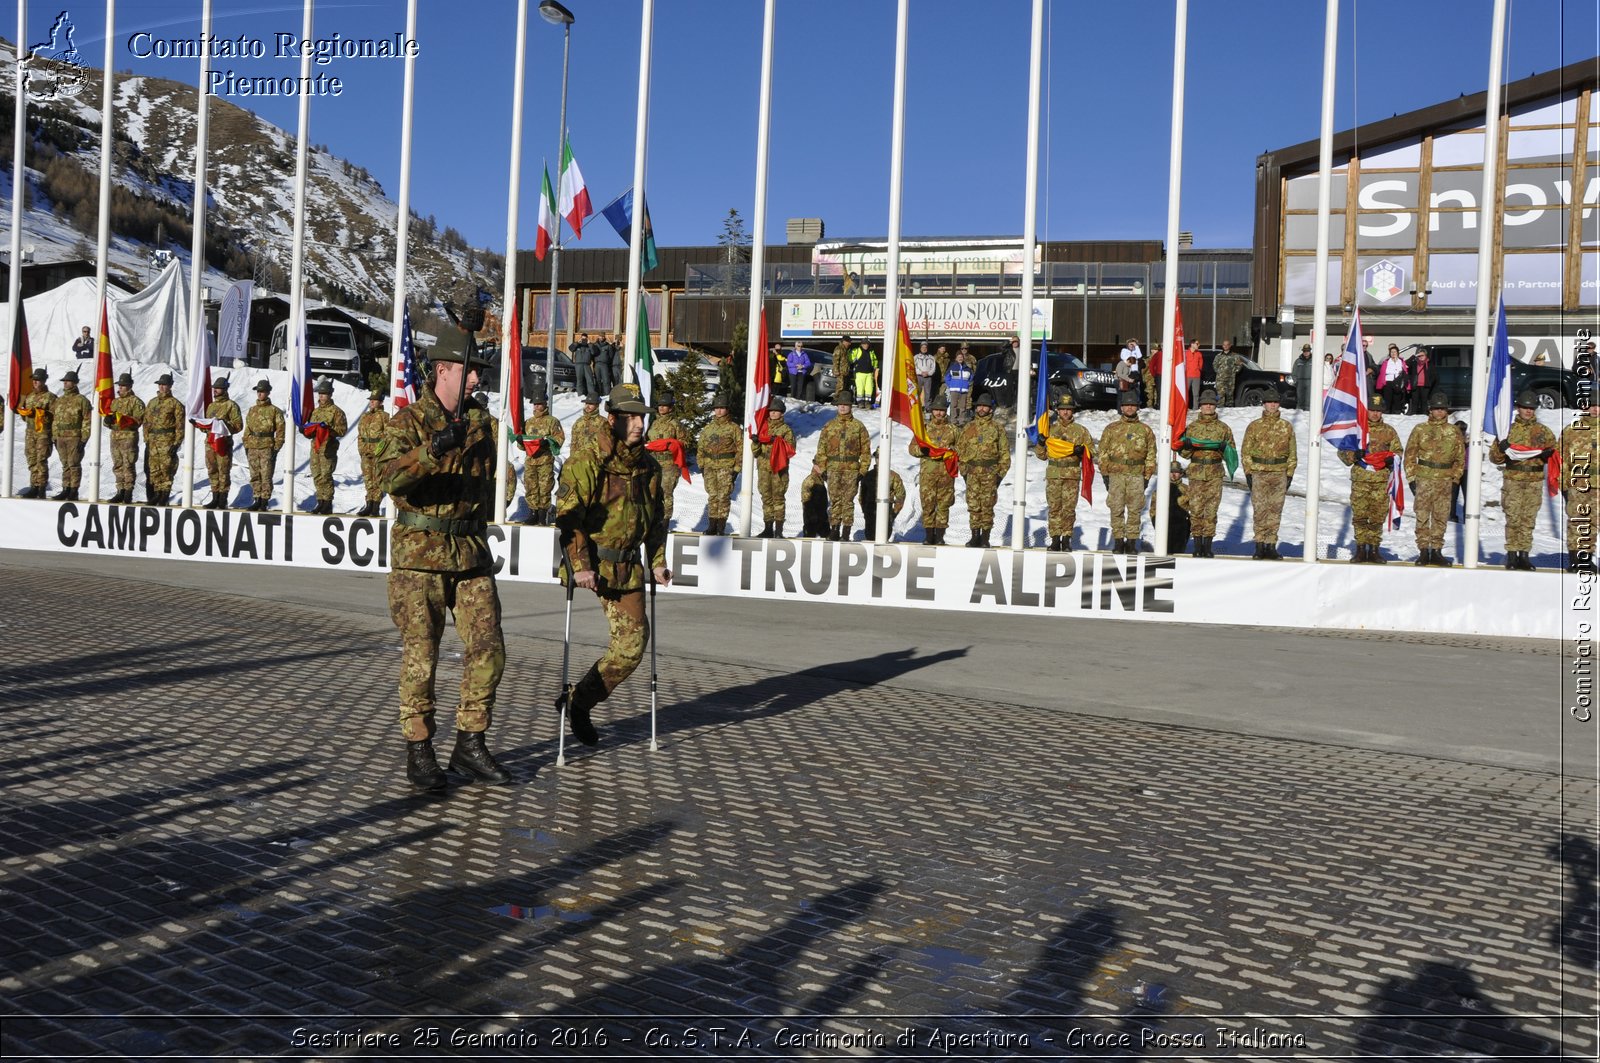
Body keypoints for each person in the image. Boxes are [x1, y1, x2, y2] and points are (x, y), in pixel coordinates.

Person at [376, 335, 508, 791]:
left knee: (489, 648)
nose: (476, 377)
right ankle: (419, 748)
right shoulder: (409, 421)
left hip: (470, 551)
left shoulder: (480, 423)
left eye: (478, 370)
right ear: (442, 371)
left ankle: (470, 742)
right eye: (468, 368)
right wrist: (432, 449)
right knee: (422, 654)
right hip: (420, 557)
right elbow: (386, 478)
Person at [553, 382, 671, 749]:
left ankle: (578, 702)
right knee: (629, 644)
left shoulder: (649, 468)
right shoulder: (588, 460)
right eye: (631, 417)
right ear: (613, 418)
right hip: (594, 564)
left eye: (642, 417)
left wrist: (657, 562)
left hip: (628, 567)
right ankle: (577, 705)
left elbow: (656, 522)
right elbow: (569, 517)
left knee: (632, 647)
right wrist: (580, 566)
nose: (639, 424)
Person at [1489, 391, 1558, 571]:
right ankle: (1512, 555)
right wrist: (1501, 449)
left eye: (1531, 408)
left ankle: (1524, 555)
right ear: (1518, 408)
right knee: (1513, 518)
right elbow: (1495, 459)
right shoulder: (1508, 430)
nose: (1528, 411)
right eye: (1525, 407)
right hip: (1513, 479)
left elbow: (1555, 454)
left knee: (1528, 519)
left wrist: (1547, 455)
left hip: (1534, 481)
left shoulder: (1543, 432)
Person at [1404, 392, 1466, 566]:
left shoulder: (1454, 432)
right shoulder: (1420, 429)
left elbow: (1460, 459)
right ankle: (1424, 550)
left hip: (1445, 480)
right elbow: (1410, 455)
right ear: (1430, 410)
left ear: (1447, 410)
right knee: (1422, 515)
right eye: (1436, 408)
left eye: (1442, 408)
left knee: (1440, 516)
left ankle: (1437, 550)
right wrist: (1411, 478)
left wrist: (1455, 480)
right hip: (1424, 478)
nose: (1439, 412)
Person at [1340, 393, 1403, 563]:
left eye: (1379, 411)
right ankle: (1361, 549)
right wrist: (1355, 454)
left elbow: (1398, 452)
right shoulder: (1357, 430)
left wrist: (1393, 459)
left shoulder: (1389, 431)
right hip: (1361, 480)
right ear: (1366, 410)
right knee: (1360, 515)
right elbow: (1343, 453)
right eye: (1372, 410)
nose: (1375, 414)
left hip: (1381, 481)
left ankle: (1374, 549)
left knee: (1377, 516)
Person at [1034, 391, 1096, 552]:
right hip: (1054, 474)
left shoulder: (1081, 431)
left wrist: (1081, 451)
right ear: (1058, 411)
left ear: (1073, 411)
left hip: (1071, 475)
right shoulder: (1050, 429)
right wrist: (1041, 443)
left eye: (1069, 409)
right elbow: (1041, 456)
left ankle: (1066, 538)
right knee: (1054, 508)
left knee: (1068, 509)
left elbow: (1092, 452)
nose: (1066, 412)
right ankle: (1055, 539)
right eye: (1063, 409)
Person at [1176, 389, 1235, 557]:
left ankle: (1207, 545)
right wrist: (1187, 445)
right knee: (1195, 509)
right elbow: (1184, 454)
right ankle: (1196, 545)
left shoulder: (1224, 429)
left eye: (1211, 404)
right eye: (1205, 404)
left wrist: (1224, 448)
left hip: (1215, 473)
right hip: (1196, 473)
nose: (1208, 407)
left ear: (1215, 406)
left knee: (1211, 511)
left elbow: (1231, 454)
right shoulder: (1192, 428)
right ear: (1200, 406)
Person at [1240, 394, 1297, 559]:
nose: (1272, 405)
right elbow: (1246, 451)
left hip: (1279, 473)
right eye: (1269, 402)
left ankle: (1271, 545)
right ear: (1264, 404)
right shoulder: (1254, 426)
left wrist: (1290, 474)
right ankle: (1259, 545)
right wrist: (1248, 472)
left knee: (1275, 510)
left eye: (1275, 402)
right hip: (1259, 473)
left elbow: (1292, 453)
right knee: (1260, 510)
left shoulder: (1286, 427)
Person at [1098, 394, 1157, 555]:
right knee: (1116, 509)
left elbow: (1151, 455)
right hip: (1116, 475)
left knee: (1135, 510)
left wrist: (1146, 476)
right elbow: (1102, 453)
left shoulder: (1145, 430)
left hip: (1137, 476)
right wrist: (1105, 474)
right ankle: (1118, 541)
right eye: (1126, 405)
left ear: (1137, 408)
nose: (1129, 408)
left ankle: (1131, 542)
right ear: (1122, 408)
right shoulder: (1111, 428)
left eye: (1133, 405)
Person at [812, 389, 871, 540]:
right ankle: (834, 529)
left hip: (851, 470)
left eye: (846, 404)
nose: (843, 407)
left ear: (851, 406)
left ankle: (846, 531)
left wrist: (863, 470)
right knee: (835, 500)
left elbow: (865, 450)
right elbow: (821, 449)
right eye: (840, 405)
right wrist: (823, 469)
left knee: (848, 501)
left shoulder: (858, 427)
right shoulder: (829, 426)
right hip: (833, 469)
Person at [956, 391, 1010, 547]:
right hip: (972, 472)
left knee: (987, 506)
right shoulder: (968, 427)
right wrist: (964, 471)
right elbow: (959, 451)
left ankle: (985, 538)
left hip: (990, 473)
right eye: (979, 406)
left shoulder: (997, 429)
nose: (981, 409)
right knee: (973, 506)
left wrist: (999, 475)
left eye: (985, 407)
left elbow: (1005, 454)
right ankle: (974, 536)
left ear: (990, 409)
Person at [910, 394, 960, 544]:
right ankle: (929, 535)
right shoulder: (923, 430)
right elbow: (912, 448)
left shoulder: (953, 430)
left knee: (944, 505)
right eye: (936, 410)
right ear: (931, 411)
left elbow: (962, 448)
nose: (939, 413)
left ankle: (939, 537)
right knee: (928, 505)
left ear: (946, 411)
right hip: (928, 474)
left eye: (942, 410)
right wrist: (923, 451)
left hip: (946, 474)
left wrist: (952, 450)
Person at [1560, 393, 1600, 572]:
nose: (1595, 409)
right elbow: (1560, 460)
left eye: (1598, 406)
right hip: (1578, 484)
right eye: (1592, 405)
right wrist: (1563, 485)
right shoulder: (1572, 430)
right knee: (1577, 521)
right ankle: (1574, 559)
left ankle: (1586, 558)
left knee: (1592, 523)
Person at [696, 390, 741, 535]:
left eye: (721, 408)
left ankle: (721, 526)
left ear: (727, 409)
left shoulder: (734, 428)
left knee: (724, 497)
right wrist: (701, 465)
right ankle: (712, 525)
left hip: (726, 467)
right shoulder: (708, 429)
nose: (719, 410)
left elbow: (741, 449)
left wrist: (737, 468)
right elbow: (701, 448)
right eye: (716, 408)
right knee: (712, 496)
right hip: (709, 467)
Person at [516, 388, 564, 525]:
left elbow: (559, 439)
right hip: (530, 460)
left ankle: (542, 515)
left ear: (545, 404)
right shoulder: (528, 422)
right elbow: (523, 444)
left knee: (545, 488)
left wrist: (547, 441)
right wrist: (520, 441)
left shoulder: (552, 421)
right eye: (534, 404)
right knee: (531, 487)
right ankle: (533, 513)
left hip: (545, 460)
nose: (536, 407)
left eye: (539, 404)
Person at [643, 391, 689, 528]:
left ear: (671, 408)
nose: (662, 408)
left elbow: (685, 443)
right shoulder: (652, 423)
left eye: (665, 405)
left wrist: (670, 444)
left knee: (666, 493)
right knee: (651, 492)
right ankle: (652, 519)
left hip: (669, 464)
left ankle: (665, 520)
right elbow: (646, 440)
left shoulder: (676, 424)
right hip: (653, 463)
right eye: (660, 405)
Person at [303, 378, 349, 514]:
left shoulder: (336, 412)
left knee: (326, 475)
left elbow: (342, 430)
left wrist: (329, 429)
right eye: (320, 394)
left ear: (330, 395)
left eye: (324, 394)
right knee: (316, 475)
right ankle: (320, 501)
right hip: (315, 447)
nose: (321, 396)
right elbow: (311, 430)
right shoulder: (315, 412)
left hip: (328, 448)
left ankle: (327, 502)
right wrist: (306, 431)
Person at [752, 397, 796, 538]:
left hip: (778, 469)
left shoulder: (786, 430)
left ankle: (778, 530)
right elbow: (755, 452)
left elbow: (790, 449)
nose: (773, 414)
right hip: (764, 468)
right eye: (771, 411)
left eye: (776, 412)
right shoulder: (762, 428)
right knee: (766, 498)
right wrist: (756, 442)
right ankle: (768, 528)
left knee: (778, 498)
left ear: (782, 413)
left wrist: (776, 441)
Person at [198, 378, 242, 509]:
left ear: (224, 389)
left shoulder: (231, 405)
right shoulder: (211, 406)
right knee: (212, 470)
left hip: (223, 443)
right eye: (214, 388)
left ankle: (223, 498)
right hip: (210, 443)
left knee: (223, 470)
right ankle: (214, 497)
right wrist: (201, 425)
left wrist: (223, 424)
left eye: (217, 388)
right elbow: (206, 424)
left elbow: (238, 426)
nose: (214, 390)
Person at [243, 379, 286, 512]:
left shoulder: (274, 411)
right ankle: (256, 498)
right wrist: (246, 443)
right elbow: (247, 428)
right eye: (258, 391)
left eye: (262, 391)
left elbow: (280, 430)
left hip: (267, 445)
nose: (260, 394)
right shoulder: (252, 410)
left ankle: (264, 500)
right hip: (253, 446)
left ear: (268, 392)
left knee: (266, 475)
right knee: (254, 474)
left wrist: (276, 447)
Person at [49, 370, 92, 501]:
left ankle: (74, 490)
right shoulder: (59, 400)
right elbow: (55, 419)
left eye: (68, 381)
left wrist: (84, 439)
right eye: (64, 381)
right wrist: (54, 437)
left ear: (75, 383)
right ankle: (65, 489)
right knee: (65, 464)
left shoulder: (81, 400)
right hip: (61, 437)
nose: (65, 383)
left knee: (74, 464)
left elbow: (87, 420)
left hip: (74, 437)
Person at [142, 373, 183, 505]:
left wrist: (176, 443)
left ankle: (165, 494)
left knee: (166, 469)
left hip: (167, 440)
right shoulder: (152, 402)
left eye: (164, 385)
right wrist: (146, 439)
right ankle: (157, 494)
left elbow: (180, 426)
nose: (161, 387)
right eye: (160, 384)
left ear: (170, 386)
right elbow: (146, 422)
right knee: (154, 469)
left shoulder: (175, 404)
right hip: (153, 440)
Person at [16, 368, 53, 498]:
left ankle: (41, 487)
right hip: (30, 431)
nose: (35, 382)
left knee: (41, 459)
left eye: (38, 380)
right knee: (31, 459)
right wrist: (25, 413)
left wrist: (41, 414)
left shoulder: (50, 397)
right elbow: (24, 415)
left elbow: (56, 416)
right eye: (34, 380)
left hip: (43, 432)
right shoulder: (29, 396)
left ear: (44, 381)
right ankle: (34, 486)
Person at [354, 392, 391, 518]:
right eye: (371, 400)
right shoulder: (364, 416)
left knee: (377, 479)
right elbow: (360, 435)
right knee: (368, 479)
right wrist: (361, 449)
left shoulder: (385, 417)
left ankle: (375, 506)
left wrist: (381, 451)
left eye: (374, 400)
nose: (372, 402)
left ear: (380, 402)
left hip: (378, 452)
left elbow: (388, 435)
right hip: (366, 452)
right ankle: (368, 504)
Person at [1151, 465, 1192, 555]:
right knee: (1164, 551)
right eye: (1171, 472)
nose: (1173, 474)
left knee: (1179, 551)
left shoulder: (1187, 489)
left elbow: (1193, 508)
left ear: (1181, 474)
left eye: (1176, 472)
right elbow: (1153, 509)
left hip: (1182, 525)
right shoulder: (1161, 489)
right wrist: (1155, 522)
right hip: (1165, 524)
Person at [858, 464, 906, 542]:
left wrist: (894, 512)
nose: (879, 459)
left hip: (886, 509)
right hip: (871, 509)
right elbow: (862, 495)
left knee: (884, 536)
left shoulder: (893, 476)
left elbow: (901, 495)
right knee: (870, 536)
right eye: (877, 457)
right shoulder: (868, 475)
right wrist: (865, 510)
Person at [568, 392, 608, 461]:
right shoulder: (578, 422)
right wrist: (573, 458)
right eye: (586, 403)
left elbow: (607, 445)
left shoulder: (603, 422)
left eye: (591, 404)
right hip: (579, 461)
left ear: (597, 405)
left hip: (596, 461)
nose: (588, 406)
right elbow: (573, 443)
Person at [944, 347, 975, 425]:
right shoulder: (952, 367)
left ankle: (961, 420)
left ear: (963, 358)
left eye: (961, 357)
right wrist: (950, 385)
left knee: (962, 407)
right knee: (953, 405)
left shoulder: (967, 368)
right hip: (954, 390)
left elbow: (971, 377)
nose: (960, 358)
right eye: (959, 357)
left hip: (964, 390)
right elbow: (947, 377)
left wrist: (967, 384)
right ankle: (953, 420)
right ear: (956, 358)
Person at [1376, 344, 1410, 414]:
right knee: (1387, 399)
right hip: (1388, 381)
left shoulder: (1401, 361)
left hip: (1398, 382)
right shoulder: (1386, 361)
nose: (1393, 353)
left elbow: (1405, 372)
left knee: (1397, 399)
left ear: (1397, 353)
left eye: (1394, 352)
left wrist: (1407, 385)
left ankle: (1396, 413)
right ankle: (1386, 412)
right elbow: (1382, 372)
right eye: (1391, 352)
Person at [1213, 339, 1241, 408]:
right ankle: (1220, 409)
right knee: (1220, 395)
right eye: (1224, 345)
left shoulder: (1235, 356)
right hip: (1220, 380)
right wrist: (1220, 372)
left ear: (1230, 346)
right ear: (1222, 346)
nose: (1225, 346)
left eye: (1227, 345)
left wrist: (1234, 371)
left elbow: (1239, 365)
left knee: (1230, 396)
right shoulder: (1218, 356)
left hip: (1230, 380)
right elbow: (1214, 365)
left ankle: (1230, 412)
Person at [1406, 347, 1434, 415]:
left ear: (1426, 356)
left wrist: (1430, 383)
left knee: (1424, 402)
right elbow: (1405, 364)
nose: (1421, 357)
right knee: (1415, 401)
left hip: (1425, 385)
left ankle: (1424, 415)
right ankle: (1413, 415)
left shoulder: (1429, 363)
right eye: (1419, 355)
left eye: (1422, 355)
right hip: (1415, 385)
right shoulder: (1414, 363)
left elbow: (1433, 375)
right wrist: (1414, 356)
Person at [850, 342, 879, 407]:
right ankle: (860, 402)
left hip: (869, 373)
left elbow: (875, 360)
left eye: (867, 344)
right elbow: (850, 358)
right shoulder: (856, 350)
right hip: (859, 373)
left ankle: (867, 402)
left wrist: (875, 367)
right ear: (861, 344)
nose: (866, 345)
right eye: (864, 344)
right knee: (860, 388)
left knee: (869, 388)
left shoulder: (871, 352)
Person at [570, 332, 596, 396]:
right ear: (580, 338)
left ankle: (591, 394)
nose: (584, 340)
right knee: (579, 381)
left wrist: (589, 344)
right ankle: (580, 395)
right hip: (578, 365)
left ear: (587, 338)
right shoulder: (577, 345)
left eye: (585, 338)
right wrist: (577, 343)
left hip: (587, 365)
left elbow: (593, 352)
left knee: (590, 380)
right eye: (582, 338)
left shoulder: (589, 346)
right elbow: (571, 349)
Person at [914, 341, 936, 407]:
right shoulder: (916, 357)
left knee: (928, 393)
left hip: (928, 377)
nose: (924, 349)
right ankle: (916, 407)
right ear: (920, 348)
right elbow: (913, 366)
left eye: (925, 347)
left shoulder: (931, 357)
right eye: (923, 347)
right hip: (919, 376)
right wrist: (921, 372)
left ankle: (927, 408)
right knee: (917, 392)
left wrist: (928, 373)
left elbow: (933, 368)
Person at [1291, 344, 1314, 411]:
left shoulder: (1314, 360)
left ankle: (1308, 412)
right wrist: (1295, 381)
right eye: (1304, 351)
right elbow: (1294, 372)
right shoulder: (1298, 361)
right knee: (1300, 397)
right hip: (1300, 382)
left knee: (1309, 398)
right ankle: (1299, 411)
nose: (1306, 352)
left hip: (1310, 381)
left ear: (1310, 351)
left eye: (1307, 351)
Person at [1184, 340, 1204, 409]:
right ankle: (1184, 408)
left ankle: (1195, 408)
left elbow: (1201, 365)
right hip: (1187, 376)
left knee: (1196, 394)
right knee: (1185, 393)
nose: (1198, 345)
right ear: (1192, 344)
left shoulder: (1199, 354)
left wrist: (1198, 369)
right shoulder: (1185, 353)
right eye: (1197, 344)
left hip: (1196, 376)